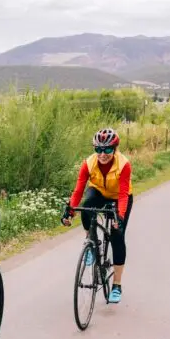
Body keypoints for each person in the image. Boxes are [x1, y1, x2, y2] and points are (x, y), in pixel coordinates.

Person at [61, 128, 133, 304]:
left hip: (119, 198)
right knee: (86, 207)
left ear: (114, 149)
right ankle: (91, 240)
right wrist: (70, 211)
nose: (102, 154)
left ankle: (117, 285)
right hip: (99, 193)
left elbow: (123, 195)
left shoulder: (124, 164)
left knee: (117, 236)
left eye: (107, 149)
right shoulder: (88, 163)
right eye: (98, 149)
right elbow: (78, 190)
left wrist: (120, 218)